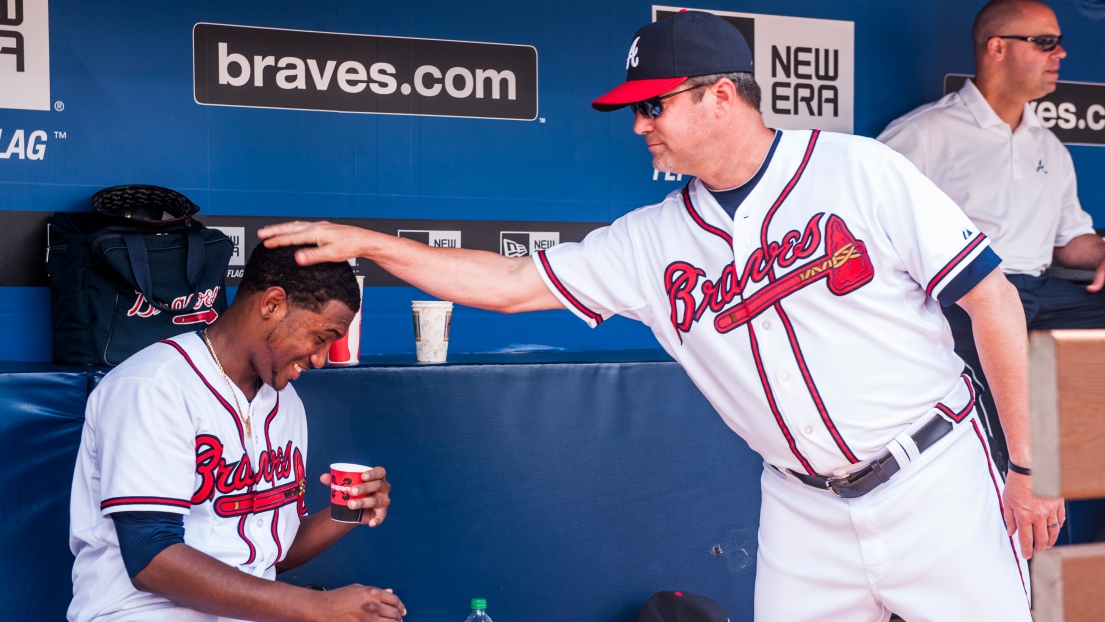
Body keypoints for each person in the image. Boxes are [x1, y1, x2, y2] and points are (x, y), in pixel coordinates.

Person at [260, 11, 1062, 620]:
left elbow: (988, 297)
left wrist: (1025, 470)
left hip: (932, 475)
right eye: (634, 110)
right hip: (801, 504)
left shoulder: (859, 170)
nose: (639, 126)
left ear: (721, 97)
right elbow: (507, 284)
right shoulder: (651, 240)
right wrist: (367, 241)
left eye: (653, 106)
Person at [68, 244, 406, 622]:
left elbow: (267, 554)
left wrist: (348, 512)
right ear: (272, 304)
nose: (320, 359)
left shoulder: (286, 402)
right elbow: (150, 557)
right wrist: (314, 607)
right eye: (320, 337)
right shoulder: (152, 386)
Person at [878, 0, 1105, 472]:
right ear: (997, 48)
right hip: (968, 294)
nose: (1060, 53)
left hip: (1044, 291)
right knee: (997, 426)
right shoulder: (925, 133)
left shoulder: (1049, 144)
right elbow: (868, 231)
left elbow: (1071, 241)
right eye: (1045, 42)